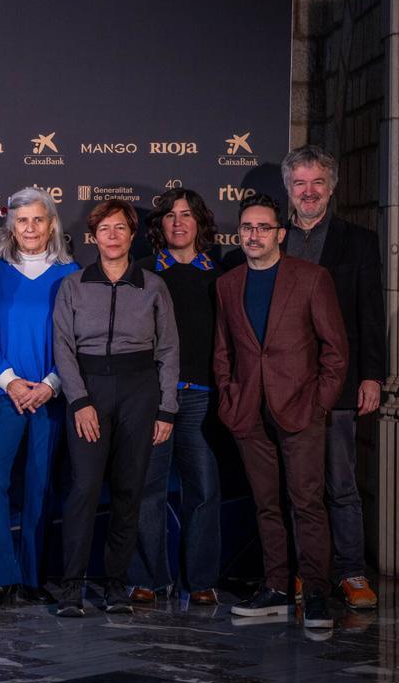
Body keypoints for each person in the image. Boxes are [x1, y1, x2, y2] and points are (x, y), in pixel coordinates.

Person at [215, 193, 347, 631]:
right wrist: (230, 397)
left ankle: (315, 593)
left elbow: (335, 351)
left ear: (280, 234)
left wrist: (320, 404)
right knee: (266, 504)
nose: (254, 235)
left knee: (307, 502)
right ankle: (274, 587)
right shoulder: (228, 283)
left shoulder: (311, 278)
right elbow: (223, 351)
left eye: (263, 228)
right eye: (247, 228)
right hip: (249, 410)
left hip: (301, 409)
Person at [53, 198, 179, 617]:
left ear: (132, 234)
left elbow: (168, 350)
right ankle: (71, 587)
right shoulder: (74, 285)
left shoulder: (153, 287)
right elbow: (63, 348)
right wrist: (80, 400)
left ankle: (115, 586)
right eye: (104, 229)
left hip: (139, 392)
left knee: (129, 491)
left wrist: (166, 409)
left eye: (120, 228)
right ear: (93, 236)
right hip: (89, 389)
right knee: (84, 490)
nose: (112, 236)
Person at [280, 145, 384, 610]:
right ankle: (306, 572)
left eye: (317, 182)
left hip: (339, 383)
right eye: (300, 182)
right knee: (297, 485)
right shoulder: (272, 237)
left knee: (340, 483)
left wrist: (372, 377)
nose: (308, 191)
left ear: (332, 187)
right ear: (289, 188)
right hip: (284, 384)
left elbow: (369, 314)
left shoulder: (357, 241)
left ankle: (351, 573)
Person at [0, 187, 79, 609]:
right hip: (2, 391)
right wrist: (10, 379)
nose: (30, 228)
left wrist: (52, 383)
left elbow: (77, 339)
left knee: (40, 486)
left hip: (50, 394)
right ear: (10, 227)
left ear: (52, 224)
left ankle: (32, 578)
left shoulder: (70, 274)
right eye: (22, 221)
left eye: (38, 219)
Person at [128, 188, 223, 607]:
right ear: (159, 225)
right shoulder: (144, 274)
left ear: (200, 222)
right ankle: (148, 578)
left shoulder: (221, 276)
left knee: (202, 489)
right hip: (154, 399)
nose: (179, 222)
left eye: (187, 215)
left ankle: (200, 580)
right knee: (148, 489)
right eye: (170, 216)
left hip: (203, 398)